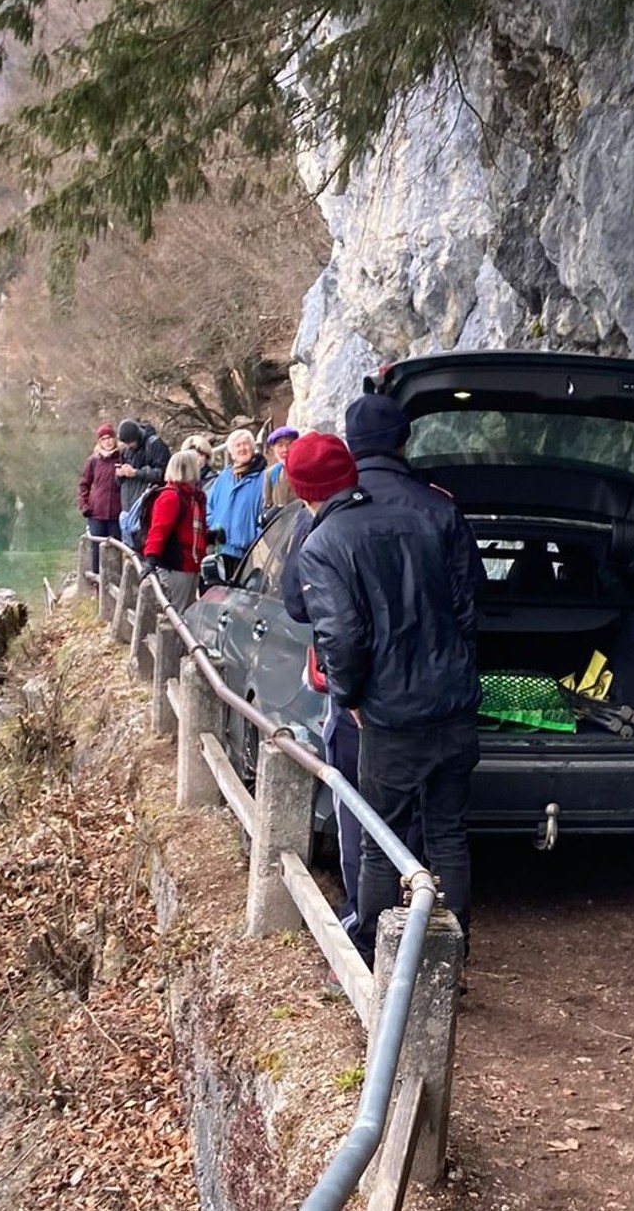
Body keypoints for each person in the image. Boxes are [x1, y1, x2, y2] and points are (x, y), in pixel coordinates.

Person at [281, 394, 482, 940]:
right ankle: (452, 954)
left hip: (392, 716)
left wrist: (349, 698)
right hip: (456, 703)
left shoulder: (324, 542)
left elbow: (341, 636)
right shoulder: (427, 515)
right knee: (447, 834)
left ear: (302, 492)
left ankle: (372, 956)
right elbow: (465, 609)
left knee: (378, 840)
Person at [138, 450, 207, 609]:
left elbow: (190, 530)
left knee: (187, 611)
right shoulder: (172, 497)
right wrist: (151, 558)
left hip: (190, 564)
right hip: (176, 566)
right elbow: (159, 530)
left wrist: (210, 536)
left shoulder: (192, 497)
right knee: (177, 612)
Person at [204, 426, 268, 563]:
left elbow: (266, 512)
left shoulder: (262, 478)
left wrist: (255, 538)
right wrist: (213, 526)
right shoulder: (223, 477)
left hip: (247, 552)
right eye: (237, 445)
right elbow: (209, 505)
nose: (242, 449)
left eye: (246, 444)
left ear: (252, 448)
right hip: (220, 548)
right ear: (231, 452)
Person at [77, 422, 122, 571]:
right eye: (103, 439)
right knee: (96, 549)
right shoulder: (94, 461)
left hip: (116, 513)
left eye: (110, 438)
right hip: (96, 513)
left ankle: (115, 581)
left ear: (115, 439)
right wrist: (84, 505)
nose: (107, 441)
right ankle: (97, 581)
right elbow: (84, 484)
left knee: (115, 549)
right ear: (99, 442)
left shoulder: (122, 458)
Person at [114, 418, 166, 513]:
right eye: (125, 443)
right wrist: (119, 474)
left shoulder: (154, 445)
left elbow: (163, 474)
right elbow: (118, 482)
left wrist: (137, 473)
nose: (128, 446)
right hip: (129, 506)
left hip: (151, 503)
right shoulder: (125, 451)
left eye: (130, 443)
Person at [259, 425, 300, 526]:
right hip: (281, 532)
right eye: (280, 445)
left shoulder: (304, 468)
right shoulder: (271, 473)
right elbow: (267, 504)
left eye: (289, 444)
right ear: (273, 448)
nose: (285, 449)